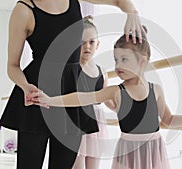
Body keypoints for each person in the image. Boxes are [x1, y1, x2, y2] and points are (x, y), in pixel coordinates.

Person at [30, 26, 182, 169]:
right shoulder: (115, 91)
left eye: (124, 60)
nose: (118, 65)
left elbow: (169, 120)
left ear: (142, 60)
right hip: (127, 153)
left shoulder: (156, 89)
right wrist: (50, 100)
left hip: (153, 151)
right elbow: (82, 98)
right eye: (116, 60)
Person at [0, 0, 144, 168]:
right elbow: (12, 66)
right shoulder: (24, 10)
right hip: (37, 93)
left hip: (72, 93)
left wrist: (132, 12)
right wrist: (25, 86)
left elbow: (119, 1)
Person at [72, 15, 113, 169]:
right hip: (77, 121)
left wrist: (122, 107)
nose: (87, 47)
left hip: (96, 124)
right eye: (82, 43)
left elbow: (106, 98)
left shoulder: (102, 71)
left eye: (91, 42)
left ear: (98, 44)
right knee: (78, 165)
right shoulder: (73, 69)